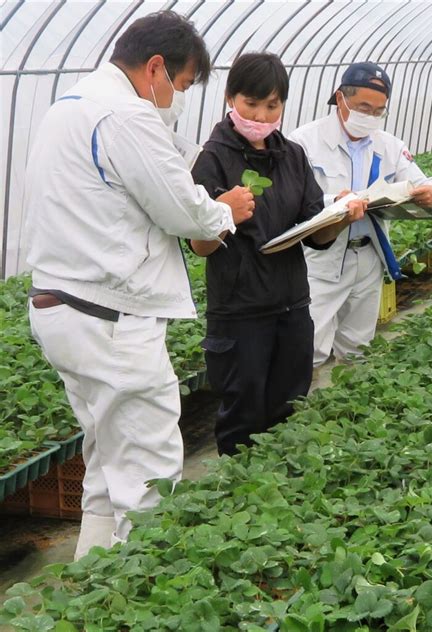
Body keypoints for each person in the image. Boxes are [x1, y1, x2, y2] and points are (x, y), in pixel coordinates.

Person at [24, 11, 256, 559]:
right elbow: (185, 213)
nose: (176, 98)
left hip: (64, 309)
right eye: (179, 85)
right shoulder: (126, 115)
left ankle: (90, 592)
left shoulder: (71, 106)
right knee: (150, 477)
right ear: (155, 68)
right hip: (110, 320)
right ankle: (137, 598)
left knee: (107, 466)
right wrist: (225, 210)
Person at [189, 53, 367, 456]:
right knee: (243, 417)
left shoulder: (291, 155)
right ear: (230, 99)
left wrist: (338, 215)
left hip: (292, 307)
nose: (261, 114)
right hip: (240, 313)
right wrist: (222, 215)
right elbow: (198, 246)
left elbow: (314, 234)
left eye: (272, 105)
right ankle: (240, 501)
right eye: (251, 104)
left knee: (289, 409)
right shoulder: (212, 159)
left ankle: (282, 499)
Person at [289, 62, 432, 368]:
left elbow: (421, 180)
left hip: (368, 256)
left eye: (379, 111)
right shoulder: (304, 142)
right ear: (340, 98)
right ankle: (303, 410)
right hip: (321, 259)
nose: (371, 116)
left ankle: (349, 409)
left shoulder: (388, 145)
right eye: (364, 107)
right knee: (309, 348)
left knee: (358, 346)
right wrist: (334, 202)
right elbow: (292, 202)